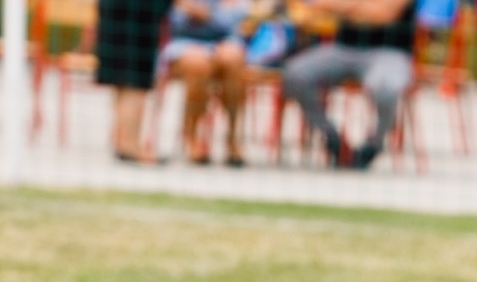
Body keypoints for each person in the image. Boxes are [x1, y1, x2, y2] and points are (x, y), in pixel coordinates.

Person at [282, 0, 416, 168]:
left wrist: (341, 6)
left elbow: (382, 15)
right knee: (295, 75)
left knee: (385, 88)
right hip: (343, 48)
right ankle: (332, 139)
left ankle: (374, 144)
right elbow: (312, 9)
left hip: (390, 52)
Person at [161, 0, 253, 165]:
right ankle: (192, 134)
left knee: (233, 59)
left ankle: (232, 136)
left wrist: (202, 13)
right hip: (184, 41)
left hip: (224, 40)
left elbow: (239, 16)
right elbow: (171, 16)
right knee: (198, 64)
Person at [96, 0, 175, 163]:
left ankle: (124, 141)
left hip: (116, 10)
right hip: (139, 13)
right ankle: (130, 147)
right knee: (135, 82)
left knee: (121, 78)